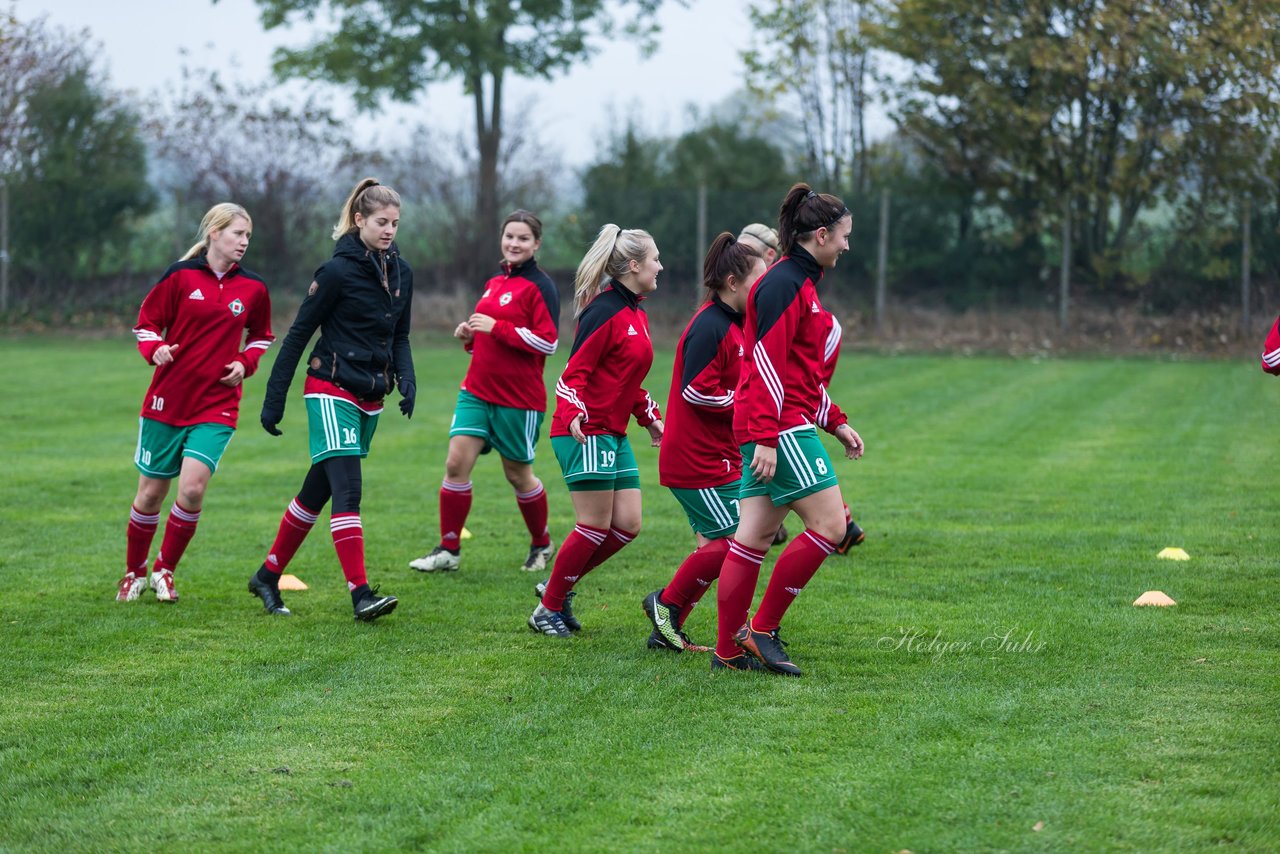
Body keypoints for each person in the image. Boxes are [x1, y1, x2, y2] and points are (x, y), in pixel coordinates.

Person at [713, 183, 864, 675]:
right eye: (843, 236)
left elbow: (798, 374)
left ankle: (728, 651)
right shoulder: (784, 284)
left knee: (753, 536)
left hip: (781, 421)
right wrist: (764, 436)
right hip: (778, 427)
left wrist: (835, 422)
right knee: (831, 526)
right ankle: (762, 630)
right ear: (820, 235)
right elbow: (766, 366)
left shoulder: (798, 283)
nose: (846, 245)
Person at [247, 178, 413, 622]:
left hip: (369, 396)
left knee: (316, 490)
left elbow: (400, 334)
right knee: (348, 489)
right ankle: (361, 594)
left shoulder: (403, 273)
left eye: (395, 223)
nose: (389, 230)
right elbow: (299, 333)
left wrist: (408, 378)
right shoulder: (336, 271)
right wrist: (274, 397)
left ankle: (267, 574)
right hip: (330, 388)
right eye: (381, 222)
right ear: (359, 220)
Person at [117, 203, 274, 604]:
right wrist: (155, 350)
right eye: (238, 234)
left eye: (248, 237)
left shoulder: (254, 288)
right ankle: (133, 573)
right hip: (166, 402)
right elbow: (146, 324)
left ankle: (164, 570)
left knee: (191, 489)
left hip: (216, 405)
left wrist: (244, 362)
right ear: (214, 233)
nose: (244, 242)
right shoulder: (180, 276)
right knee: (150, 494)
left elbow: (262, 336)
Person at [528, 224, 664, 638]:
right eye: (655, 259)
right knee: (593, 525)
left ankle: (557, 588)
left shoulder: (635, 313)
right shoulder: (604, 311)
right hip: (585, 431)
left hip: (614, 432)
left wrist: (647, 415)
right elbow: (574, 374)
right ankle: (548, 609)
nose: (661, 266)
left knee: (627, 525)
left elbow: (624, 378)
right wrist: (571, 411)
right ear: (634, 265)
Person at [409, 210, 560, 574]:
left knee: (517, 475)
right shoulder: (495, 282)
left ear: (536, 244)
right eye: (509, 236)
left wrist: (497, 327)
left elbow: (548, 342)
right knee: (455, 464)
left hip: (518, 399)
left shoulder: (541, 286)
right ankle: (449, 550)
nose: (514, 243)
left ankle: (542, 544)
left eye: (523, 238)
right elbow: (489, 340)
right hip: (476, 390)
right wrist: (472, 337)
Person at [641, 233, 765, 653]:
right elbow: (697, 391)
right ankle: (667, 604)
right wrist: (744, 403)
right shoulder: (709, 326)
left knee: (734, 542)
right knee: (735, 542)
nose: (760, 292)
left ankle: (668, 624)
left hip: (721, 458)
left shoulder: (735, 323)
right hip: (696, 462)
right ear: (732, 282)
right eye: (756, 284)